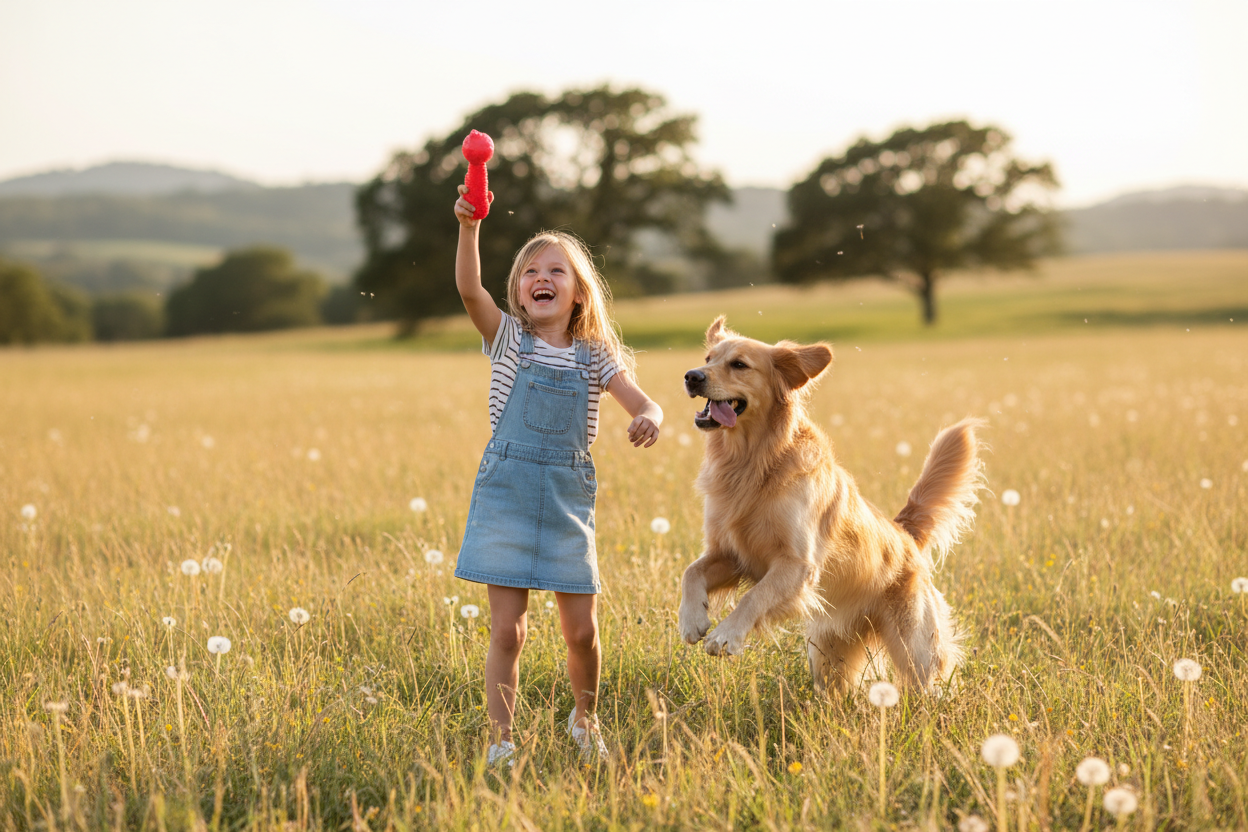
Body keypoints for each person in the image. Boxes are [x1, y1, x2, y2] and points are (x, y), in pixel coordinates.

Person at [451, 184, 663, 765]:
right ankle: (500, 742)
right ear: (520, 291)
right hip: (507, 494)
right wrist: (470, 228)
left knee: (581, 632)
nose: (539, 278)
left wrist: (648, 416)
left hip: (567, 497)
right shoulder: (508, 341)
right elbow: (470, 288)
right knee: (507, 632)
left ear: (576, 293)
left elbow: (645, 402)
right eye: (529, 272)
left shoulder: (593, 354)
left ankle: (584, 720)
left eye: (555, 271)